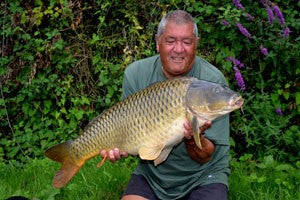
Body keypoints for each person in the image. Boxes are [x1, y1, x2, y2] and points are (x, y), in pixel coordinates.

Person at [100, 10, 229, 200]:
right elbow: (131, 134)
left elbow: (205, 157)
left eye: (186, 42)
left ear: (196, 44)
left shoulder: (212, 82)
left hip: (203, 177)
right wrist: (115, 145)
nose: (178, 49)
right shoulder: (136, 73)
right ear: (157, 43)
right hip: (152, 175)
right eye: (170, 41)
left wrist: (193, 137)